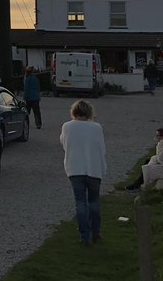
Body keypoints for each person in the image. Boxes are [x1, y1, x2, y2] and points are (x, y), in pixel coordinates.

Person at [59, 99, 107, 246]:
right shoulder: (96, 127)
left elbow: (63, 143)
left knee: (80, 203)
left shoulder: (67, 126)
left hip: (75, 169)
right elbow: (101, 148)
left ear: (74, 112)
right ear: (89, 113)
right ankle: (96, 232)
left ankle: (84, 236)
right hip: (93, 168)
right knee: (94, 202)